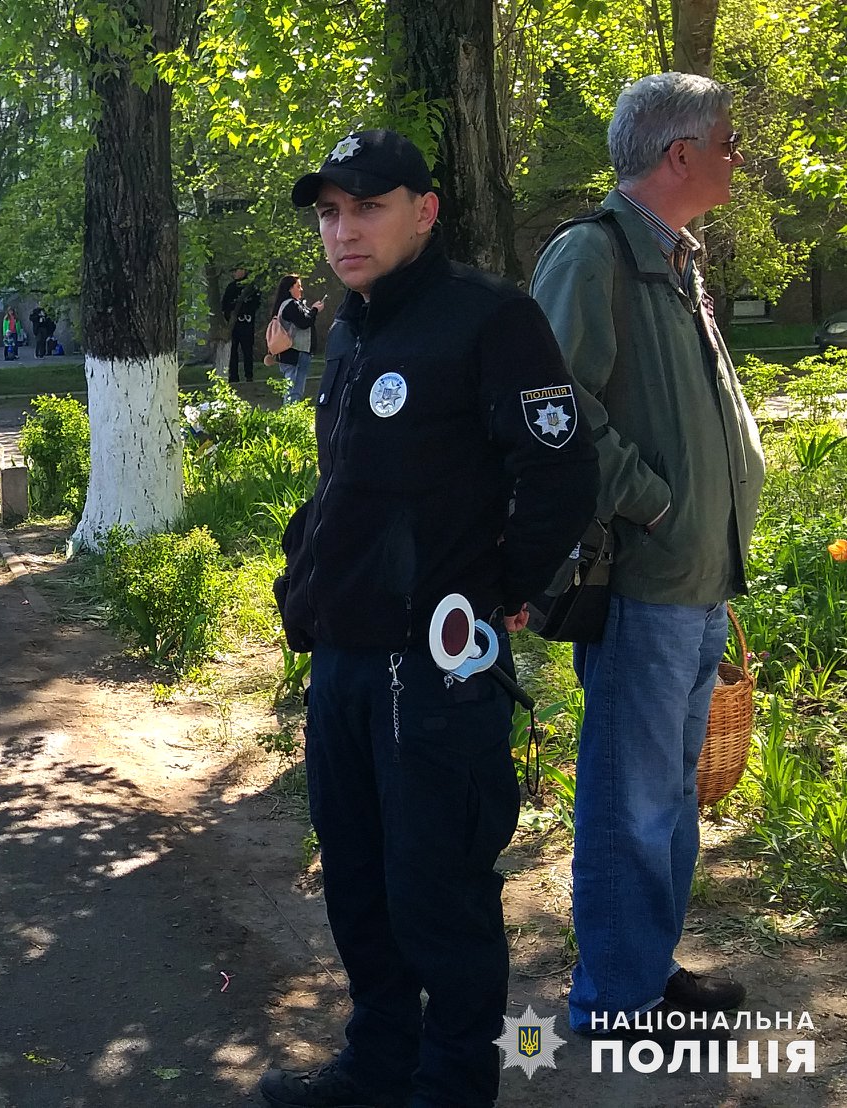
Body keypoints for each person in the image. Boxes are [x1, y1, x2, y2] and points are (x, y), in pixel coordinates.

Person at [266, 129, 597, 1108]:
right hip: (347, 661)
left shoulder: (489, 319)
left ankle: (453, 1083)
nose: (342, 228)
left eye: (366, 205)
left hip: (442, 669)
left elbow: (561, 469)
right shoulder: (350, 326)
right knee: (359, 882)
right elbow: (352, 484)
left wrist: (498, 593)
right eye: (329, 210)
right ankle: (379, 1062)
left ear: (426, 209)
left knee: (438, 889)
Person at [529, 72, 764, 1043]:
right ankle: (614, 1000)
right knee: (630, 803)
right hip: (644, 582)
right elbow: (551, 407)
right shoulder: (594, 257)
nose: (735, 157)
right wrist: (657, 502)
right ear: (679, 156)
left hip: (697, 583)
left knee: (667, 798)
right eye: (725, 141)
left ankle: (643, 972)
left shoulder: (676, 258)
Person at [270, 275, 326, 403]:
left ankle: (291, 416)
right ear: (290, 289)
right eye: (298, 286)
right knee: (294, 391)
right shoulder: (290, 305)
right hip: (295, 352)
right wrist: (315, 310)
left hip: (294, 352)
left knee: (294, 389)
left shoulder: (289, 305)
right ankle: (290, 418)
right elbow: (304, 322)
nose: (301, 289)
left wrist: (312, 310)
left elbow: (305, 318)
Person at [221, 268, 260, 382]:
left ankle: (249, 375)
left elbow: (255, 304)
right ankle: (233, 376)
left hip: (247, 323)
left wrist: (245, 309)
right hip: (234, 325)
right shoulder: (231, 287)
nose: (235, 273)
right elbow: (225, 305)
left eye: (238, 270)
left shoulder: (251, 288)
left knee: (247, 350)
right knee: (233, 351)